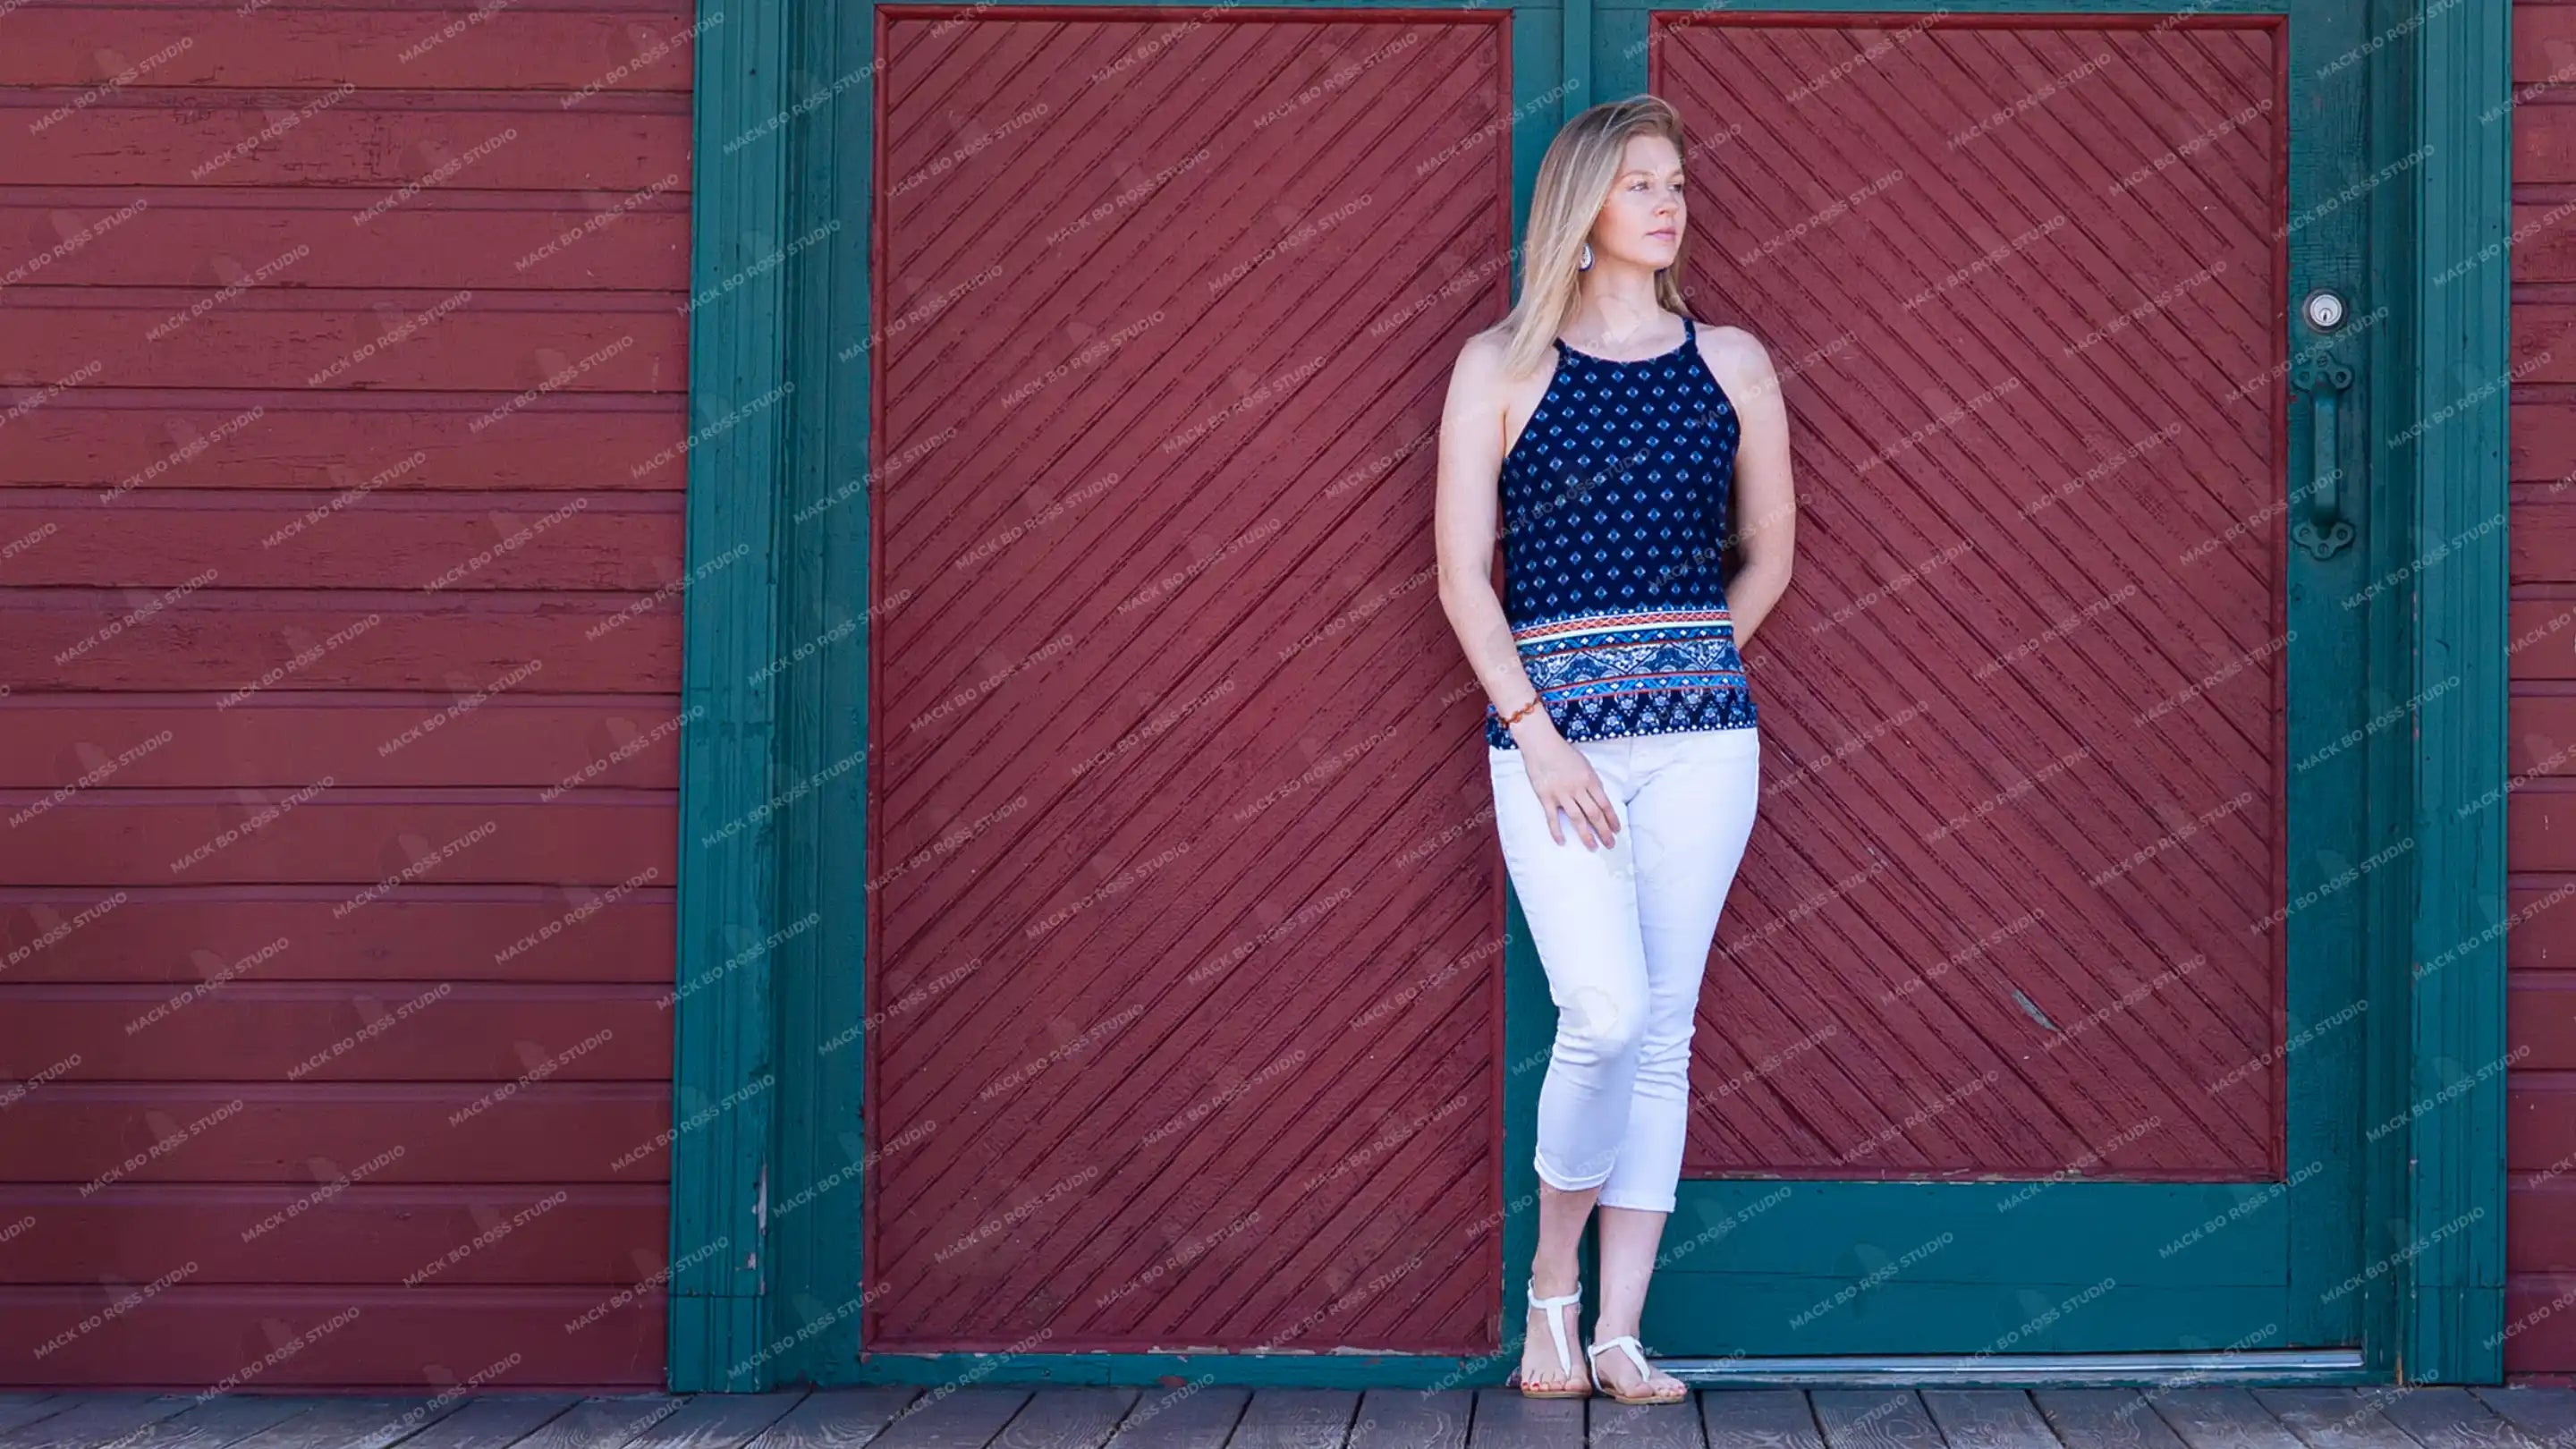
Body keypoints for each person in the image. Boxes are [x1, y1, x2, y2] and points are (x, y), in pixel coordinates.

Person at [1433, 95, 1796, 1405]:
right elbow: (1463, 578)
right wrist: (1539, 731)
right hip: (1550, 752)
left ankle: (1621, 1337)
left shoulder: (1733, 361)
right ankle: (1550, 1292)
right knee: (1607, 1011)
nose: (1666, 200)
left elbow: (1772, 556)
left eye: (1676, 182)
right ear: (1579, 210)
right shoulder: (1501, 366)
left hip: (1704, 746)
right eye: (1639, 182)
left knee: (1667, 1032)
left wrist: (1693, 658)